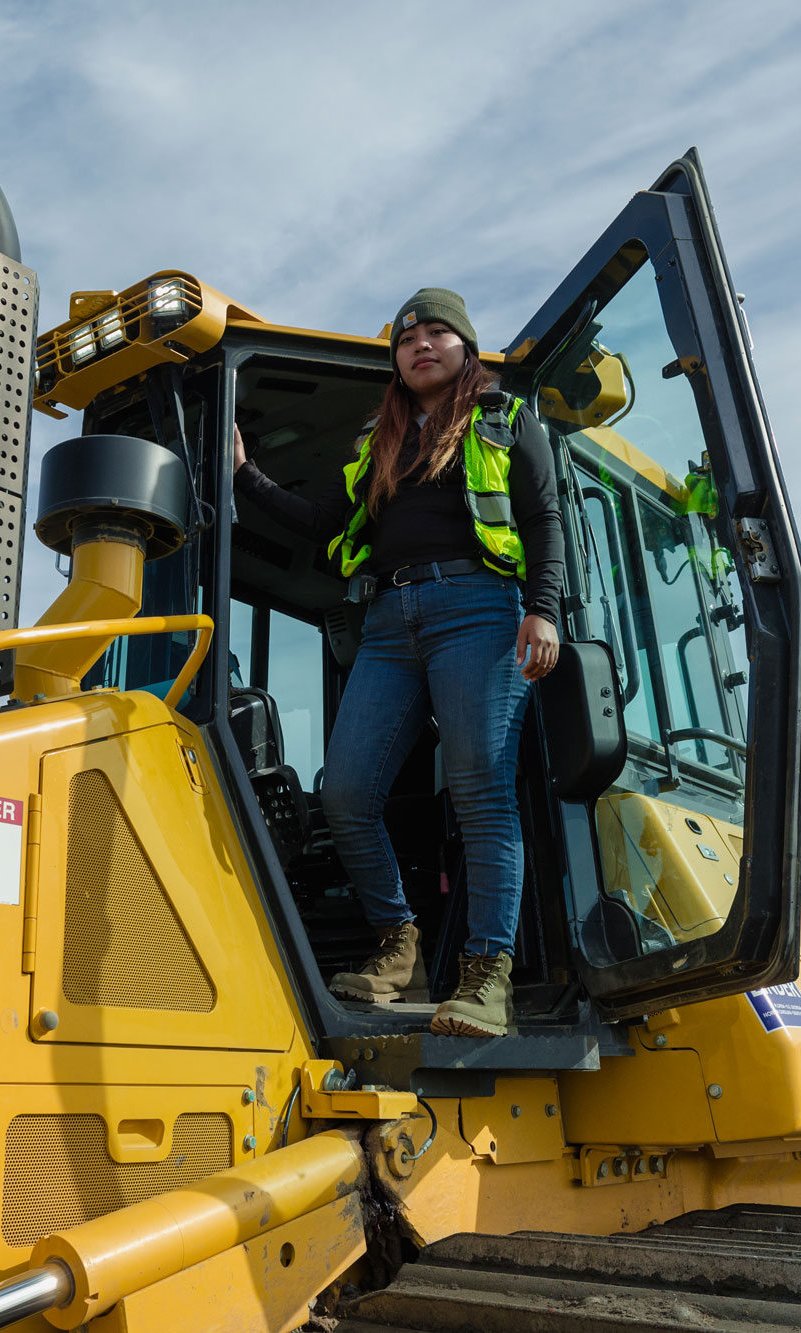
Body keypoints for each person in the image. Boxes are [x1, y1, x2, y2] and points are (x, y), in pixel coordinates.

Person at [232, 288, 565, 1037]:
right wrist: (245, 477)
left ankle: (488, 977)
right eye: (408, 339)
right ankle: (398, 948)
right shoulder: (376, 443)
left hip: (478, 611)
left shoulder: (505, 421)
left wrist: (541, 608)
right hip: (387, 620)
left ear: (466, 348)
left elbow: (543, 518)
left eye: (438, 333)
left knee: (482, 792)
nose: (421, 345)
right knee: (346, 791)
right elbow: (326, 525)